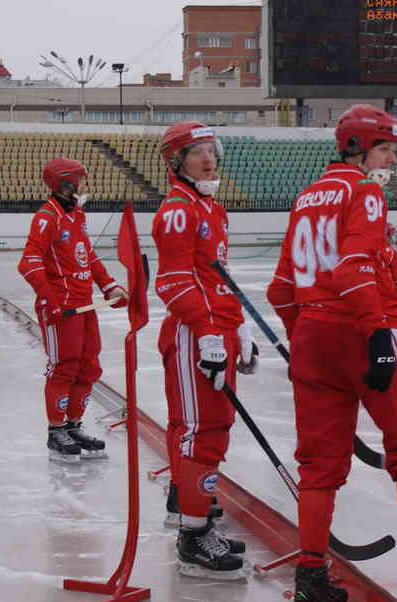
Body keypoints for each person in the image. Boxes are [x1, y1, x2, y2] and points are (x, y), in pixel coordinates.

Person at [267, 105, 397, 602]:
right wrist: (376, 334)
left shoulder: (307, 197)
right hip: (366, 327)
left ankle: (310, 574)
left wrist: (302, 335)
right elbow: (351, 269)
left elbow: (280, 288)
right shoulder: (364, 191)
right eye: (386, 148)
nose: (391, 159)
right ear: (357, 147)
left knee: (318, 466)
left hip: (312, 338)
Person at [151, 121, 258, 580]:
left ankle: (189, 506)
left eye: (211, 150)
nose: (208, 158)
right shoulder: (178, 210)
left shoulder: (210, 207)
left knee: (207, 426)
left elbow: (218, 278)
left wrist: (240, 328)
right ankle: (193, 538)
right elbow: (173, 280)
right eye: (196, 152)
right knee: (202, 429)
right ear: (176, 162)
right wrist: (209, 333)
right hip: (196, 332)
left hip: (216, 326)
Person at [17, 158, 129, 463]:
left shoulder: (76, 215)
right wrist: (51, 301)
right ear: (66, 184)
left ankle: (74, 426)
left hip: (85, 305)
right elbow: (29, 262)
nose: (84, 186)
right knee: (64, 367)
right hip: (61, 309)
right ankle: (56, 432)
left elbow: (87, 256)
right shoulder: (46, 217)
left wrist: (109, 286)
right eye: (81, 181)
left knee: (88, 367)